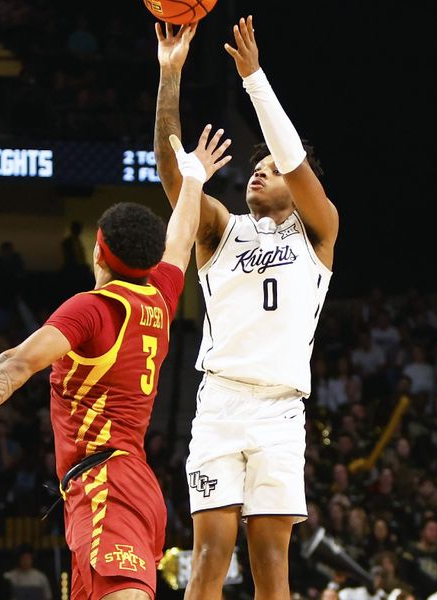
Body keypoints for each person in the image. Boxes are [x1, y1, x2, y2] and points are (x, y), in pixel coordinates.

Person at [0, 124, 232, 600]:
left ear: (98, 249)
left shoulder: (92, 308)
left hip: (106, 483)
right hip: (129, 481)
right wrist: (193, 180)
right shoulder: (162, 294)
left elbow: (14, 364)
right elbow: (179, 237)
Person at [153, 15, 339, 600]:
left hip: (282, 412)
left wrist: (255, 80)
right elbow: (171, 172)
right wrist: (170, 76)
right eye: (253, 169)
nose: (258, 173)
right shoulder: (220, 231)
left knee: (271, 566)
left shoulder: (318, 233)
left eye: (270, 170)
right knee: (208, 559)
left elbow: (294, 161)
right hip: (221, 404)